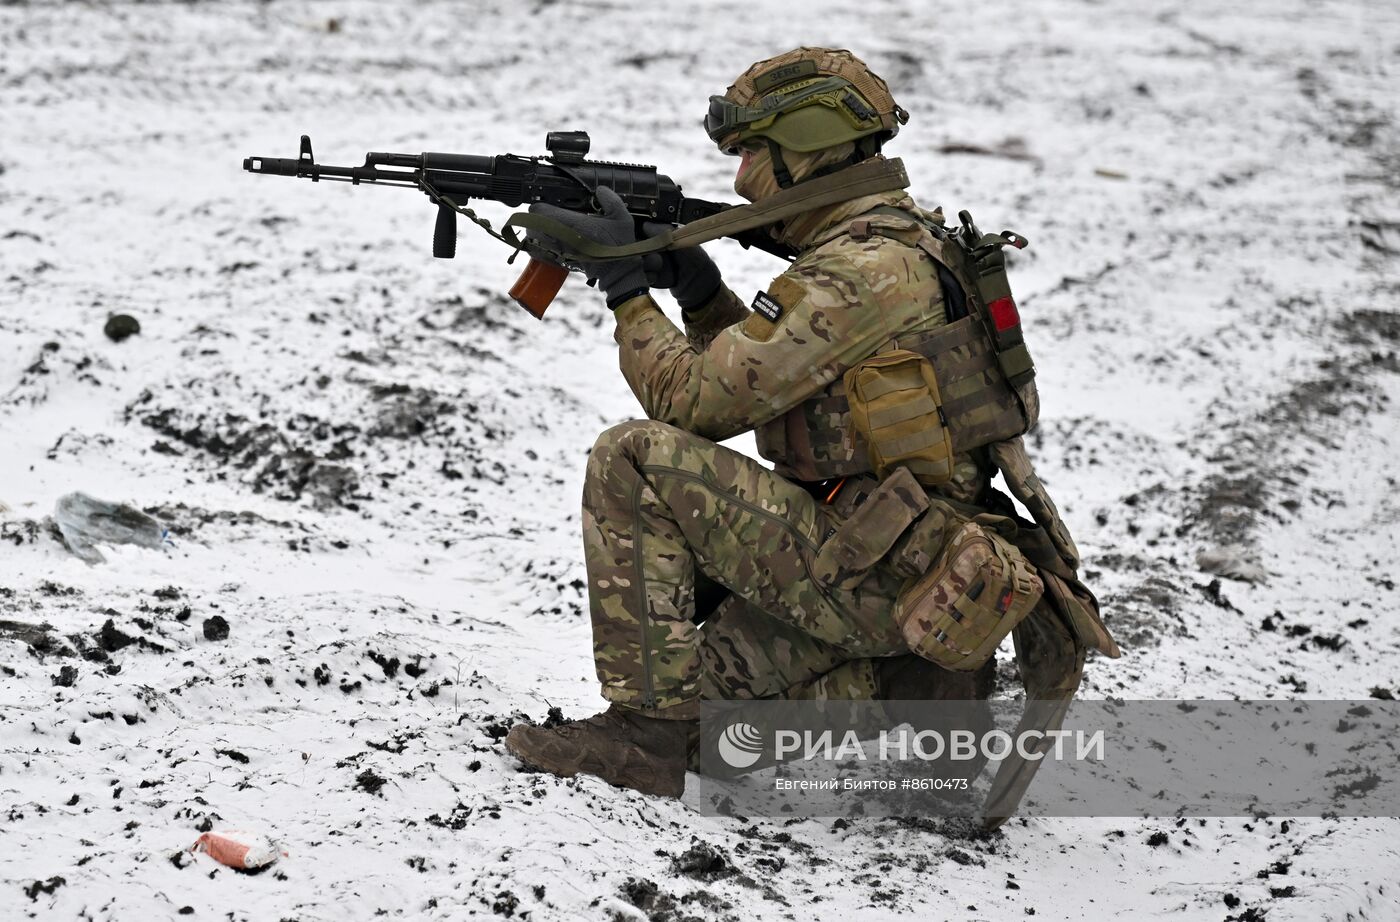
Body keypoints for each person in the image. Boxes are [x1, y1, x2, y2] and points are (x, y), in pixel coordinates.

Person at [504, 48, 1116, 799]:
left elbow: (692, 405)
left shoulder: (858, 274)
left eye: (753, 153)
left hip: (876, 568)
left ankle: (644, 742)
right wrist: (700, 292)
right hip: (918, 564)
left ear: (806, 146)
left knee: (632, 459)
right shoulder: (905, 243)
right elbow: (775, 385)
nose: (738, 181)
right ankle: (913, 680)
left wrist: (628, 290)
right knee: (712, 714)